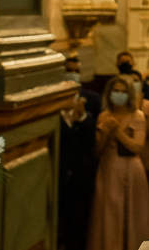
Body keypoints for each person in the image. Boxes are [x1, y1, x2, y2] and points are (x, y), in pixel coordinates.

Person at [86, 76, 149, 250]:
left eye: (123, 91)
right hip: (109, 168)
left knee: (134, 214)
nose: (119, 94)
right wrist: (106, 132)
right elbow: (97, 150)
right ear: (109, 93)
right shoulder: (103, 116)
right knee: (109, 212)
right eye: (116, 91)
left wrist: (117, 132)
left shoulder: (137, 115)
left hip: (132, 168)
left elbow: (137, 147)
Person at [58, 88, 97, 250]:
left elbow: (89, 144)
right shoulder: (55, 118)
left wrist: (81, 117)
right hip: (58, 178)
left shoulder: (87, 118)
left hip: (79, 181)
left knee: (76, 228)